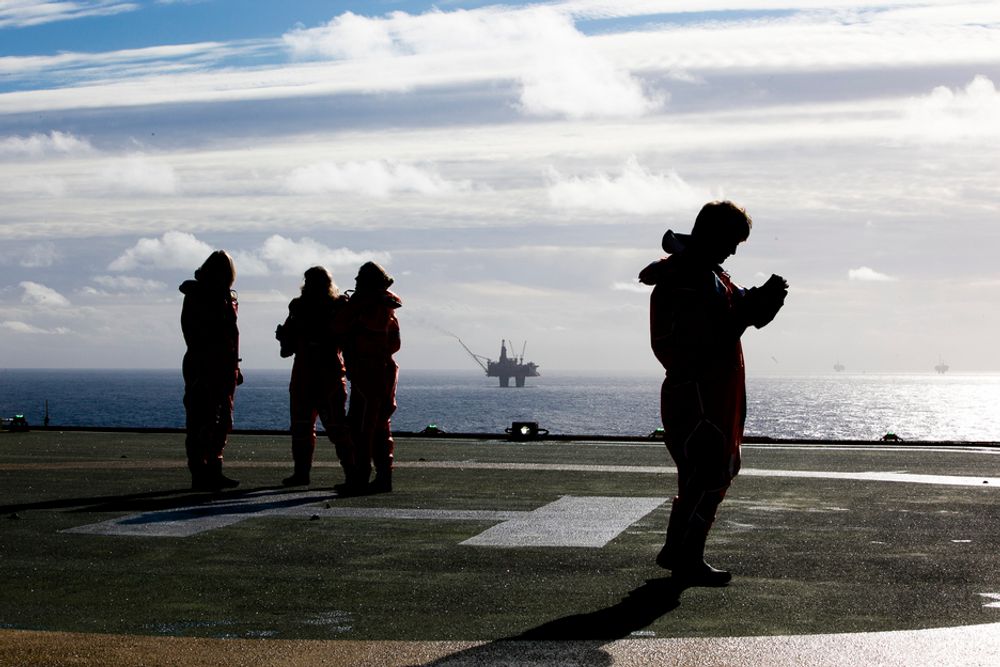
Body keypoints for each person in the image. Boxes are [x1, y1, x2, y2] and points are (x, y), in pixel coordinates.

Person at [638, 201, 787, 586]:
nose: (734, 250)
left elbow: (732, 314)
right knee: (709, 470)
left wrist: (756, 305)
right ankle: (686, 555)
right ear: (714, 235)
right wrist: (749, 310)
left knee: (706, 472)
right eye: (732, 241)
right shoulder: (690, 277)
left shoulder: (704, 274)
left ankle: (681, 551)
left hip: (712, 390)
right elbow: (699, 335)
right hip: (700, 392)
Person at [276, 266, 352, 487]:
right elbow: (288, 345)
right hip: (317, 374)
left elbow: (287, 346)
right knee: (312, 426)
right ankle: (346, 471)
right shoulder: (330, 307)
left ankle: (312, 473)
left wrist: (285, 338)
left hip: (317, 374)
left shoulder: (329, 307)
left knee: (322, 426)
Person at [179, 250, 243, 491]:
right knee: (202, 420)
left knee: (221, 420)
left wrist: (234, 365)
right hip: (206, 366)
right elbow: (198, 333)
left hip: (222, 367)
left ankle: (212, 470)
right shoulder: (202, 296)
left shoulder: (223, 297)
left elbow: (230, 336)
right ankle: (201, 472)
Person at [342, 261, 401, 494]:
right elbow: (395, 344)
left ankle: (362, 477)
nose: (355, 282)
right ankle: (381, 476)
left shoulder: (364, 307)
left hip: (368, 373)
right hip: (378, 373)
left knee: (362, 427)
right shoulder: (387, 308)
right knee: (378, 426)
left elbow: (337, 328)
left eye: (359, 279)